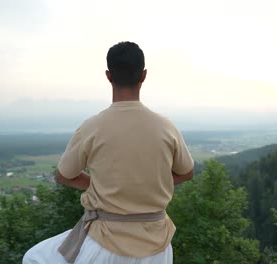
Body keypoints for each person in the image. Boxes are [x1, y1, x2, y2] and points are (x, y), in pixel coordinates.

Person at [23, 41, 194, 264]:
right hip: (158, 248)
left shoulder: (92, 127)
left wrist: (100, 186)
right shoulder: (166, 127)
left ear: (108, 76)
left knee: (34, 258)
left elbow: (64, 175)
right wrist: (149, 184)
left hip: (104, 242)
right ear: (143, 76)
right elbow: (187, 172)